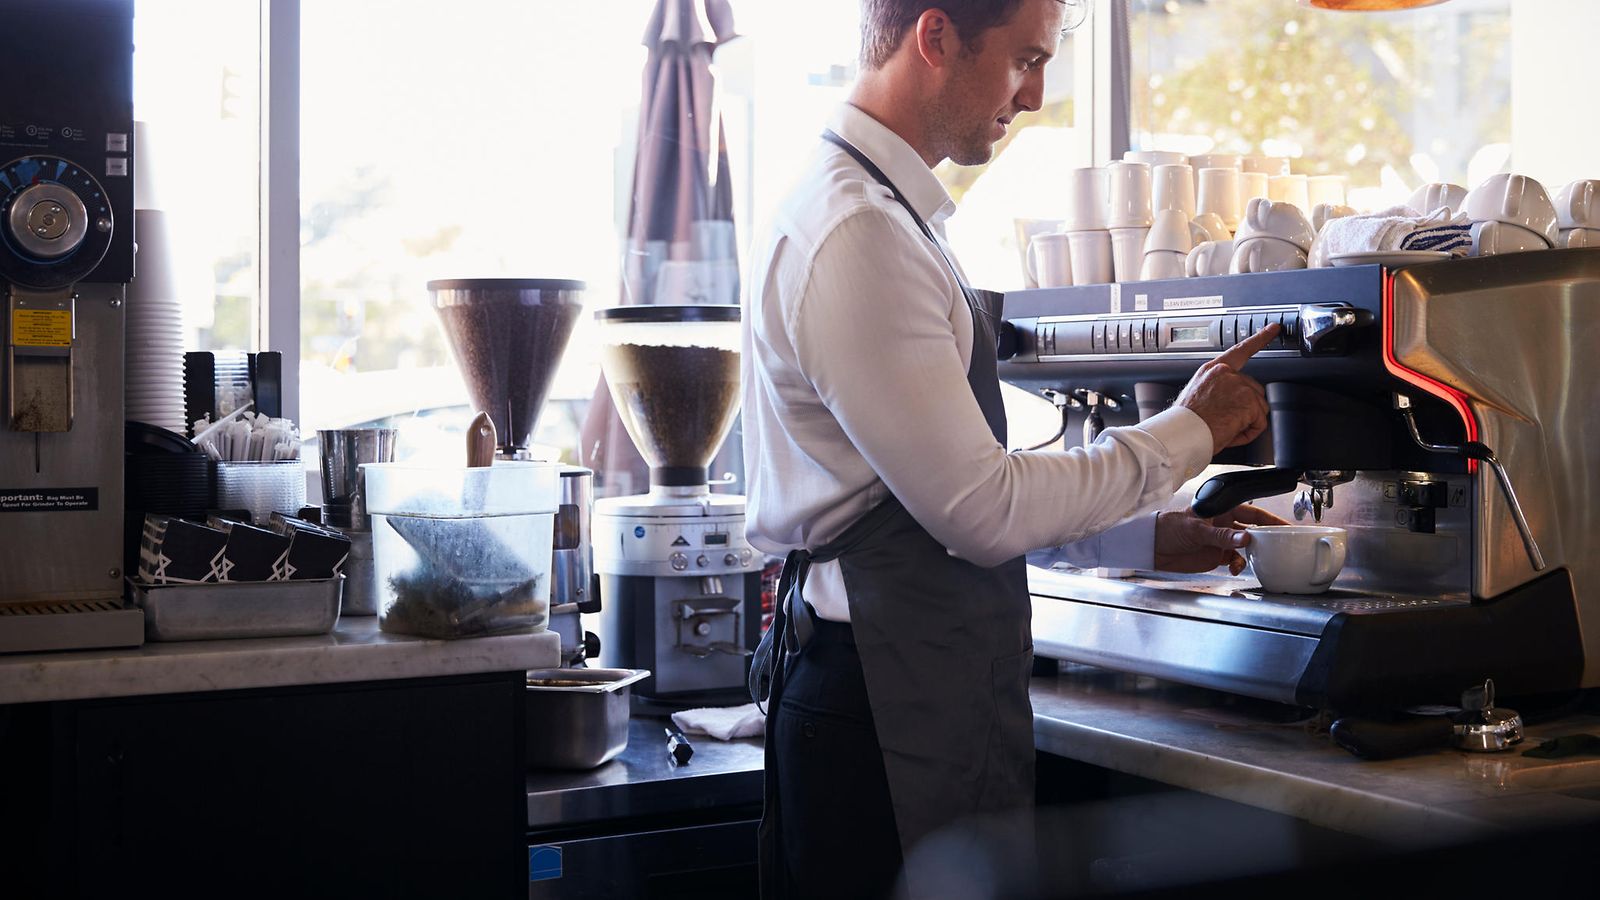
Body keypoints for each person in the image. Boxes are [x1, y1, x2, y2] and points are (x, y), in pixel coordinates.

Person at [741, 1, 1282, 896]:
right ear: (936, 36)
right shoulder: (859, 234)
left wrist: (1141, 536)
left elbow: (933, 501)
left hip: (899, 682)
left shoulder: (882, 215)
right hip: (878, 705)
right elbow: (981, 511)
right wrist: (1195, 429)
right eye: (1024, 61)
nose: (1034, 96)